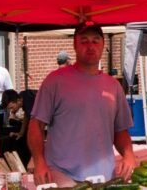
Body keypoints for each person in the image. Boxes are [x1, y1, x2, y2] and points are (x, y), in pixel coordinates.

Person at [28, 22, 135, 185]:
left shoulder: (114, 86)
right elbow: (36, 125)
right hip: (62, 175)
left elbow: (120, 130)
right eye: (84, 41)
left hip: (104, 177)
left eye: (95, 40)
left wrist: (128, 155)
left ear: (103, 44)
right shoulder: (55, 81)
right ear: (75, 45)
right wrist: (39, 162)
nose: (90, 46)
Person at [0, 88, 37, 166]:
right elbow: (26, 116)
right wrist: (21, 132)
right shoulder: (23, 96)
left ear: (18, 101)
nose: (11, 111)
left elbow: (34, 125)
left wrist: (33, 158)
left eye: (12, 107)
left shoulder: (29, 102)